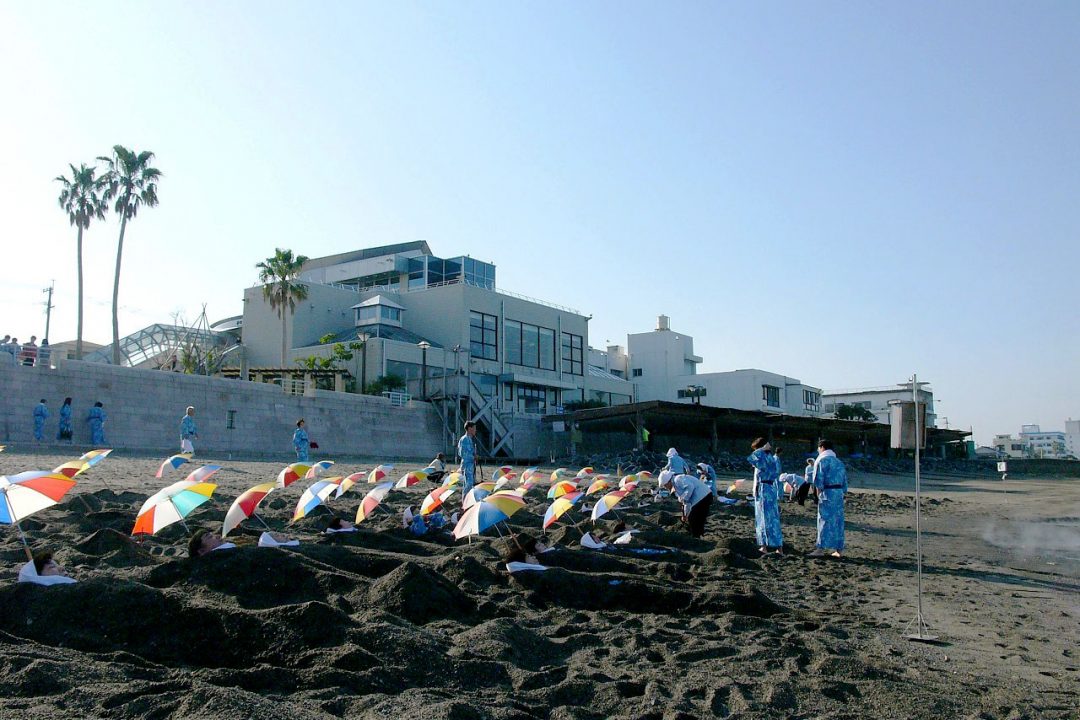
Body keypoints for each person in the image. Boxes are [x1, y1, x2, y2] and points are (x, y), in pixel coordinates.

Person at [810, 439, 848, 558]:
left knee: (824, 520)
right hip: (838, 493)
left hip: (827, 492)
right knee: (838, 521)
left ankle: (820, 548)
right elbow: (844, 482)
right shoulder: (839, 462)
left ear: (822, 447)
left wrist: (817, 496)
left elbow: (818, 481)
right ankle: (839, 549)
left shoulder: (821, 460)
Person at [747, 437, 783, 555]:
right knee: (773, 518)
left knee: (762, 517)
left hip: (763, 488)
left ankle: (764, 546)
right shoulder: (771, 458)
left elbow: (750, 458)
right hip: (771, 488)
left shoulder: (762, 456)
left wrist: (761, 449)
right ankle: (779, 547)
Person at [668, 472, 714, 538]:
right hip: (706, 496)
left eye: (665, 485)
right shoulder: (677, 487)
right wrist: (685, 515)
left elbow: (690, 488)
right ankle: (699, 536)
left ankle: (696, 537)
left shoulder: (678, 479)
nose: (665, 487)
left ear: (668, 481)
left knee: (694, 518)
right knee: (698, 518)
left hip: (702, 497)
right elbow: (686, 504)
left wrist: (685, 515)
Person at [457, 421, 477, 495]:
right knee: (469, 484)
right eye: (474, 428)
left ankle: (466, 501)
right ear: (469, 428)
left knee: (470, 484)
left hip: (470, 465)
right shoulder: (464, 439)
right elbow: (463, 454)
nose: (475, 430)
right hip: (466, 465)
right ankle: (465, 501)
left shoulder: (469, 439)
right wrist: (473, 457)